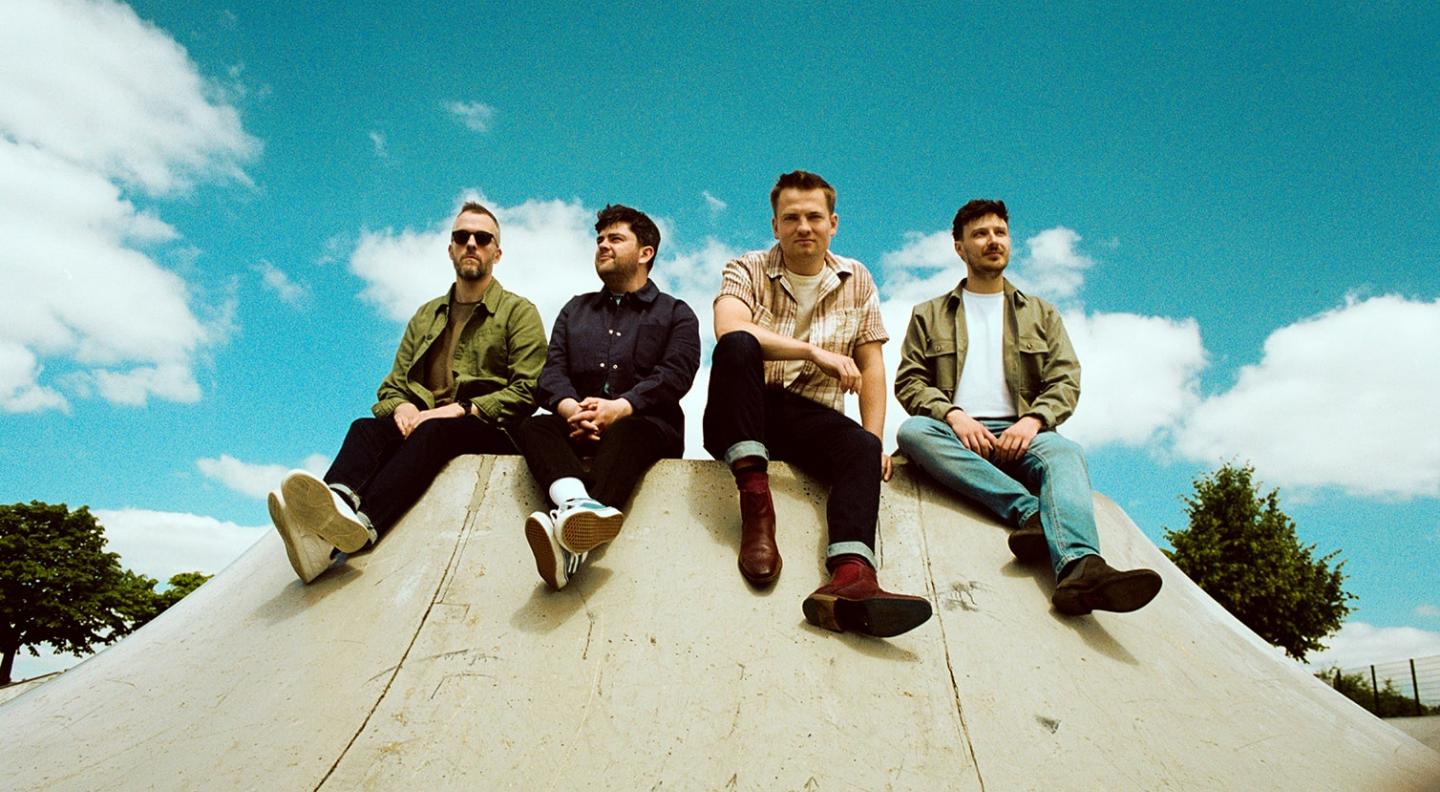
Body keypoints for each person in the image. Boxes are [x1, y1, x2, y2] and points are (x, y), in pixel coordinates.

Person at [894, 199, 1161, 615]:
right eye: (980, 234)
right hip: (957, 435)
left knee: (1066, 453)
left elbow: (1065, 379)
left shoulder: (1040, 312)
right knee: (912, 432)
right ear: (960, 248)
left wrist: (1034, 420)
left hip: (1025, 435)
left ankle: (1080, 568)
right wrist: (954, 415)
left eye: (1000, 232)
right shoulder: (929, 314)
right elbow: (909, 381)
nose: (992, 241)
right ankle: (1029, 511)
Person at [704, 170, 932, 638]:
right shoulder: (745, 267)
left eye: (813, 217)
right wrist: (810, 350)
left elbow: (871, 364)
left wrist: (874, 442)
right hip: (741, 412)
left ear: (833, 222)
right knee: (739, 346)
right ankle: (757, 509)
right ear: (775, 226)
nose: (803, 227)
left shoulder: (856, 277)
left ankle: (851, 576)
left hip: (805, 418)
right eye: (791, 218)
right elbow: (729, 328)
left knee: (862, 447)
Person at [267, 201, 546, 584]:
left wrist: (457, 410)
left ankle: (366, 525)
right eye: (461, 236)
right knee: (366, 427)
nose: (471, 244)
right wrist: (400, 408)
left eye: (482, 238)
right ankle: (333, 510)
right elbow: (392, 384)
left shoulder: (518, 312)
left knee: (435, 432)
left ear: (496, 253)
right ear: (450, 248)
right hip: (424, 422)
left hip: (487, 426)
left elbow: (529, 389)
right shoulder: (427, 315)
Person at [515, 205, 700, 589]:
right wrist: (571, 411)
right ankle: (577, 505)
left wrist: (619, 408)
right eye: (599, 239)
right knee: (534, 428)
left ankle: (570, 544)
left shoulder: (676, 313)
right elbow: (552, 373)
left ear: (645, 253)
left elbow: (676, 374)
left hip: (645, 427)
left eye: (615, 239)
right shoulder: (574, 310)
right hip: (576, 423)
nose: (603, 245)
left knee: (628, 431)